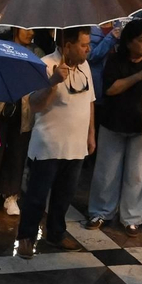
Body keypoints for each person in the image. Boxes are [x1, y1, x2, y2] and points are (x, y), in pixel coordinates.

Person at [16, 27, 96, 258]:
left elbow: (90, 101)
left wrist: (91, 134)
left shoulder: (85, 66)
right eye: (83, 45)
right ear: (67, 45)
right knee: (37, 196)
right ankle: (26, 236)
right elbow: (35, 105)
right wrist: (53, 82)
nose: (88, 49)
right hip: (48, 146)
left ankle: (56, 233)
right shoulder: (45, 64)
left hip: (76, 146)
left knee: (64, 196)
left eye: (88, 44)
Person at [87, 20, 142, 233]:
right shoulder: (115, 59)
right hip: (114, 121)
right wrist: (139, 76)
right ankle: (100, 211)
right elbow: (110, 89)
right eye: (140, 40)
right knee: (106, 171)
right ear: (128, 42)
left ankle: (132, 217)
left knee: (138, 173)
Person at [0, 26, 35, 217]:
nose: (31, 33)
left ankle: (12, 195)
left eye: (32, 30)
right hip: (1, 106)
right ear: (15, 29)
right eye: (26, 29)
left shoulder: (36, 52)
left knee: (18, 152)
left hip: (25, 108)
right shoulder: (0, 47)